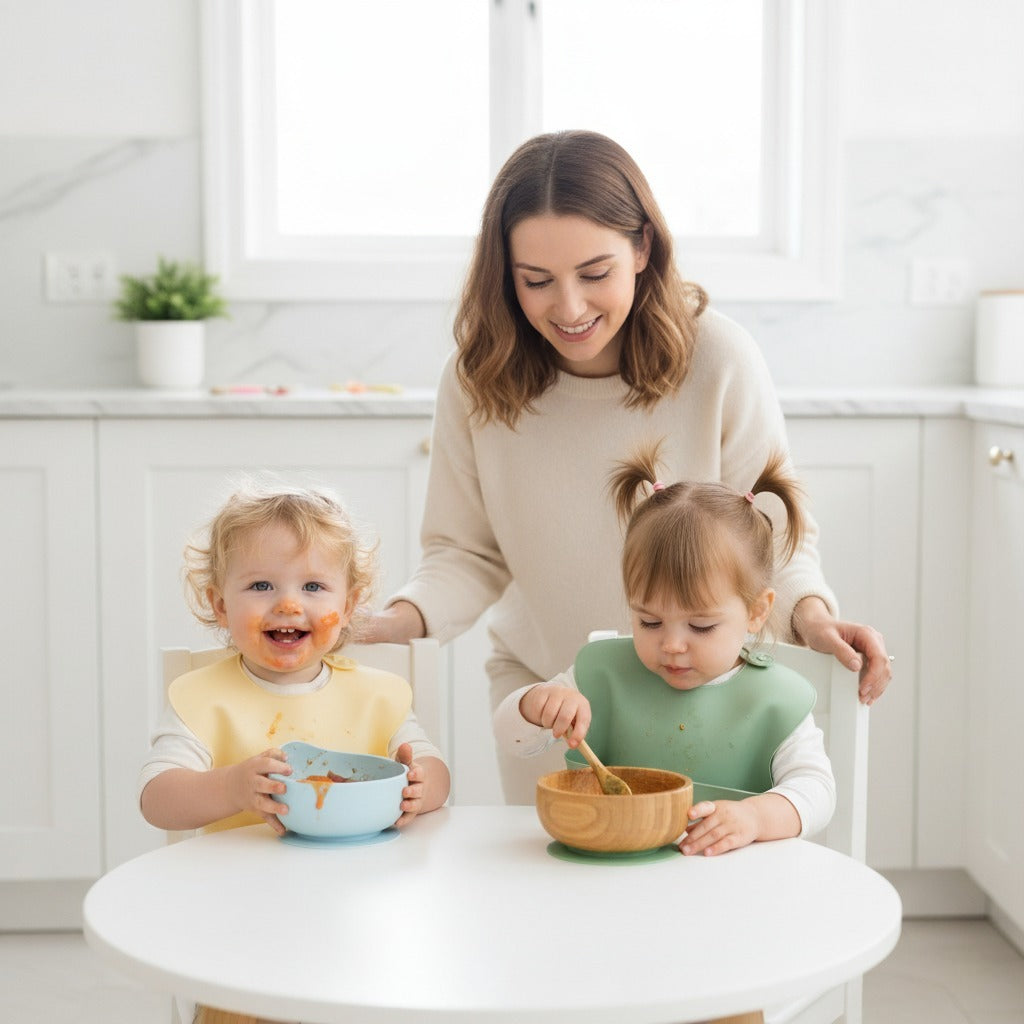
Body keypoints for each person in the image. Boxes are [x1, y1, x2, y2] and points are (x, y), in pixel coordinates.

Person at [366, 129, 891, 804]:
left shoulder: (718, 359)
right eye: (536, 281)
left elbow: (771, 535)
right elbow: (465, 552)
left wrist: (813, 618)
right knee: (562, 894)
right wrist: (399, 620)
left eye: (594, 273)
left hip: (705, 691)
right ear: (504, 274)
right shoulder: (477, 380)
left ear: (643, 247)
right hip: (554, 699)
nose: (570, 307)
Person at [139, 482, 451, 1024]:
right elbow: (156, 800)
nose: (289, 604)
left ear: (348, 605)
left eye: (313, 586)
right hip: (240, 933)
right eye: (261, 584)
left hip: (365, 920)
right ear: (219, 603)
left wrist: (422, 786)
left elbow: (435, 771)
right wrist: (232, 786)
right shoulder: (202, 698)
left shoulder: (377, 695)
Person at [495, 444, 836, 857]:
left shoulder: (775, 701)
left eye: (701, 626)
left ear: (756, 611)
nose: (672, 645)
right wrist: (536, 705)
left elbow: (817, 790)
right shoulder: (602, 677)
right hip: (616, 879)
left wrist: (756, 817)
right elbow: (510, 739)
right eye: (649, 622)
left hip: (733, 890)